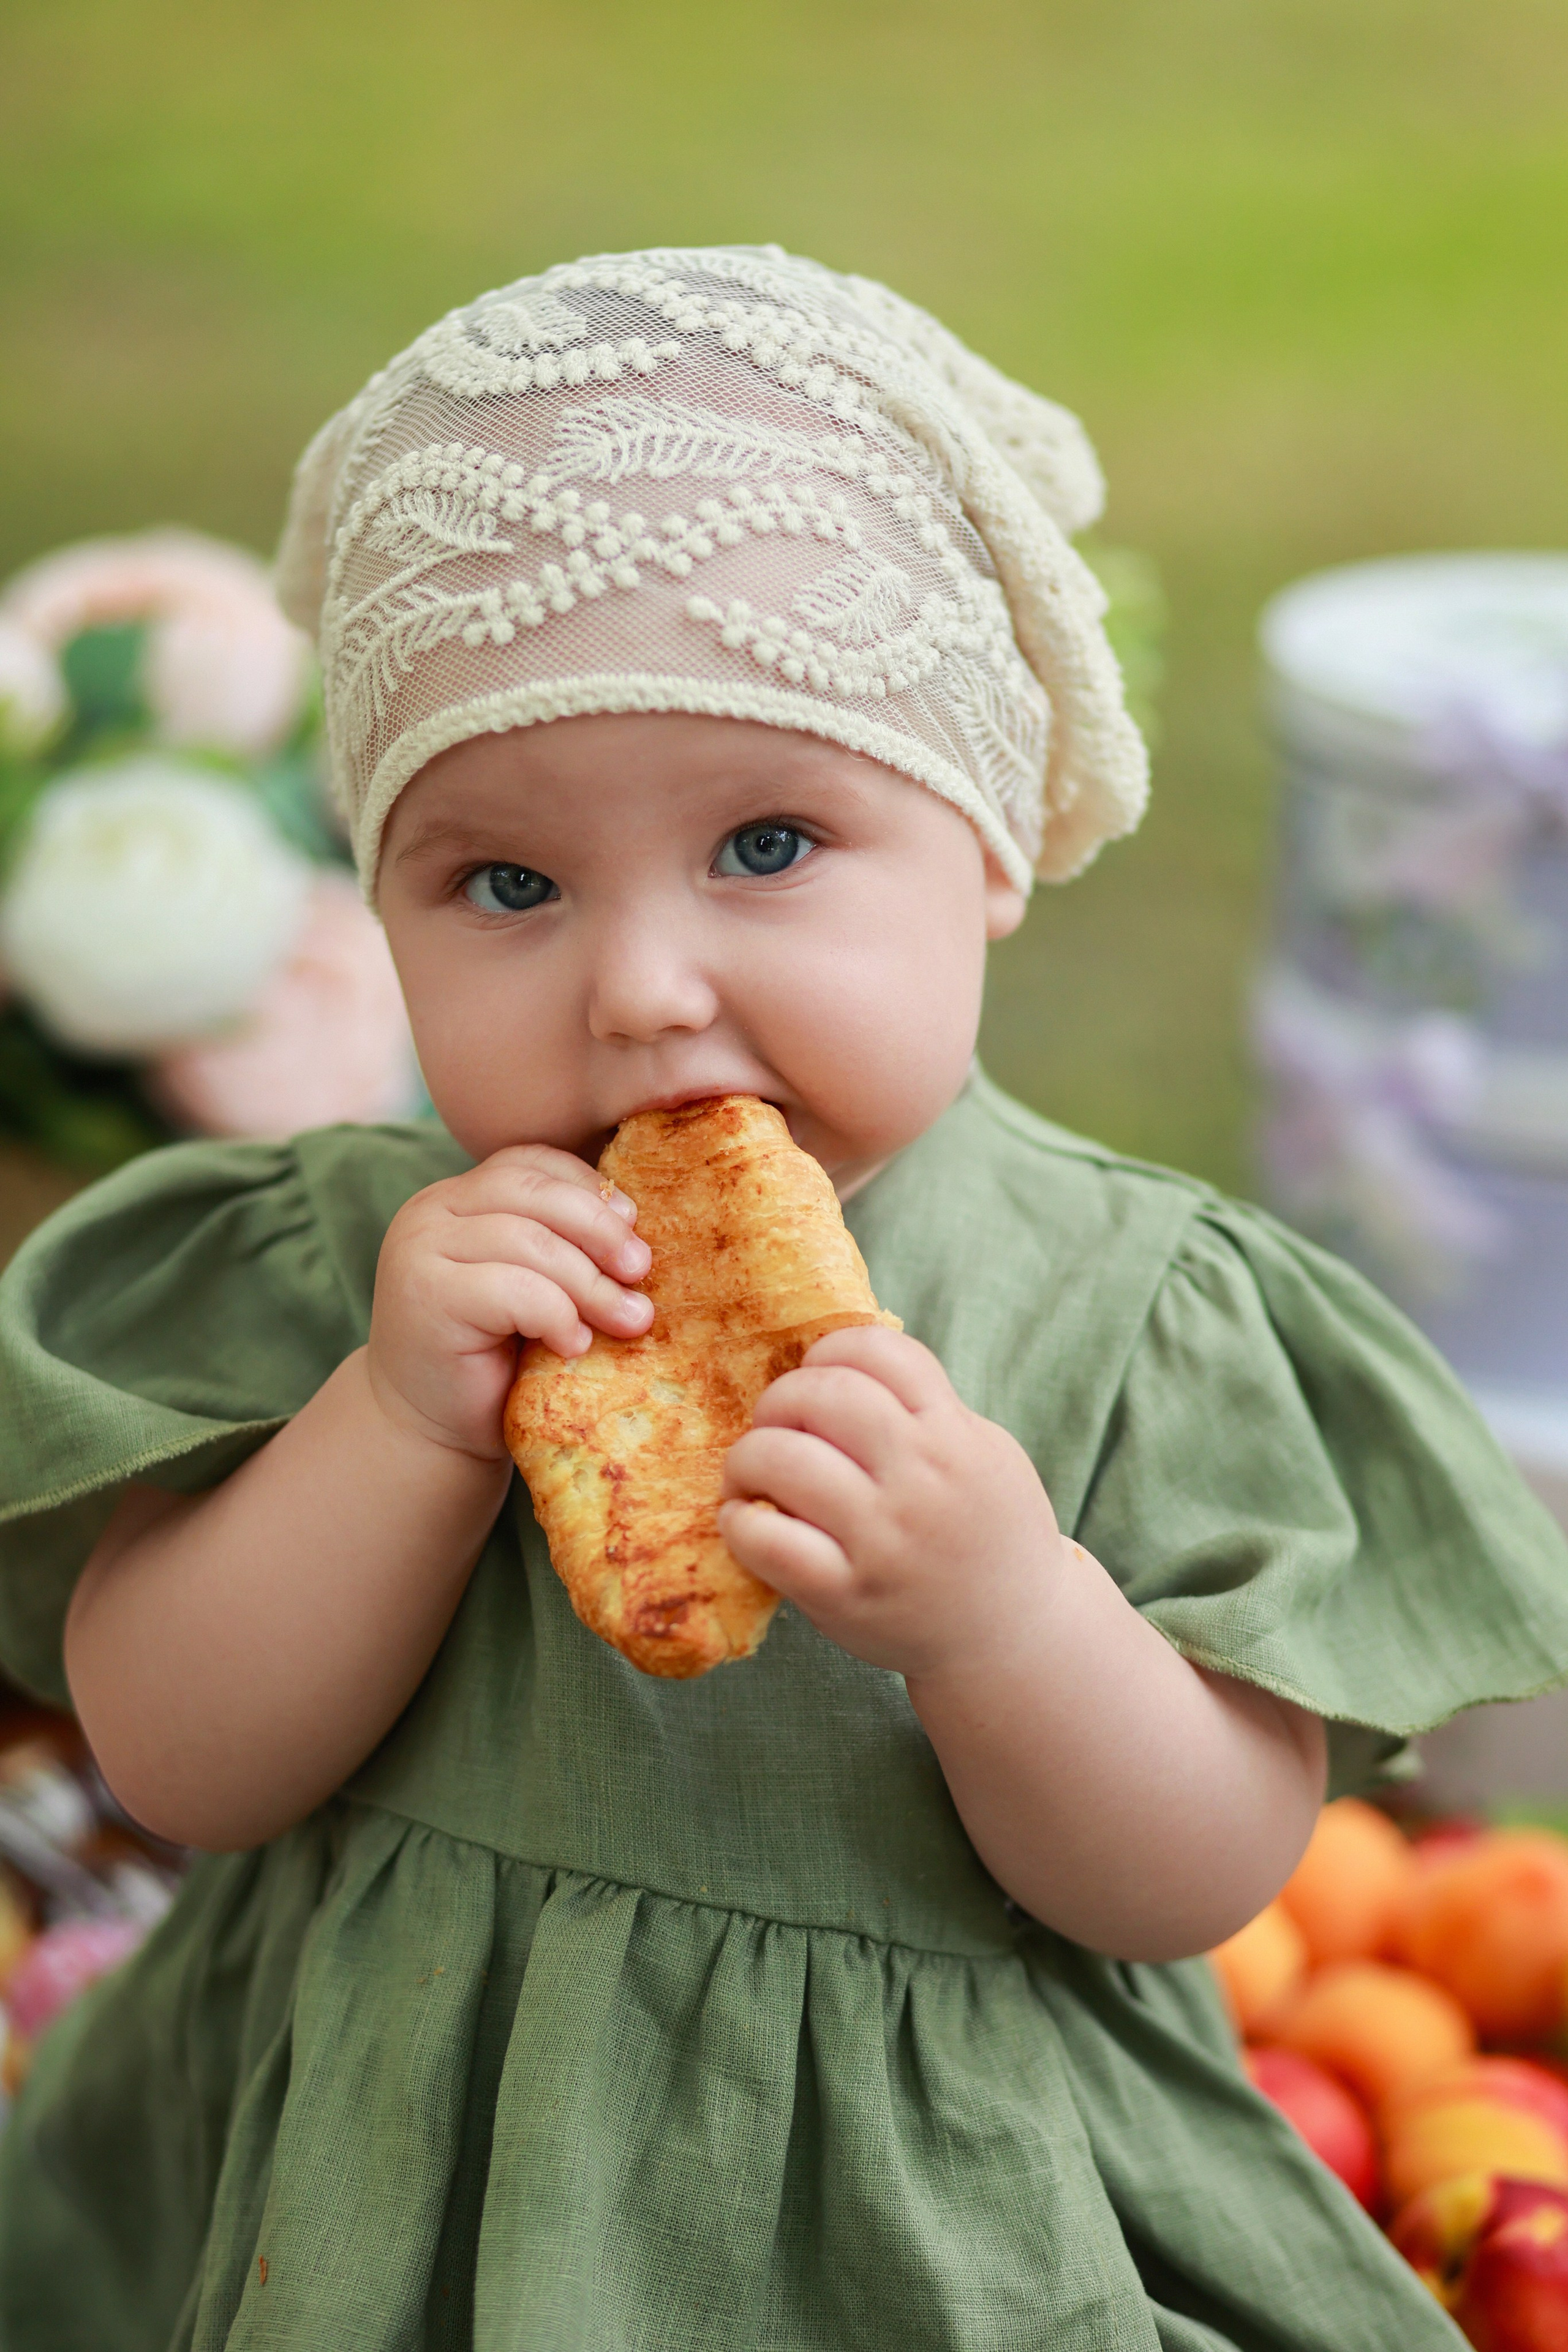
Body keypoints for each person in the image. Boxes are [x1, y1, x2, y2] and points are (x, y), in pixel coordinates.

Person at [0, 247, 1563, 2352]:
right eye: (508, 886)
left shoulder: (1137, 1303)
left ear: (995, 835)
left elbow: (1194, 1874)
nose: (642, 986)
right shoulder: (347, 1266)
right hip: (376, 2199)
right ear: (379, 896)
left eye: (765, 842)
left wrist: (1007, 1616)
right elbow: (178, 1758)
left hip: (918, 2217)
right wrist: (387, 1427)